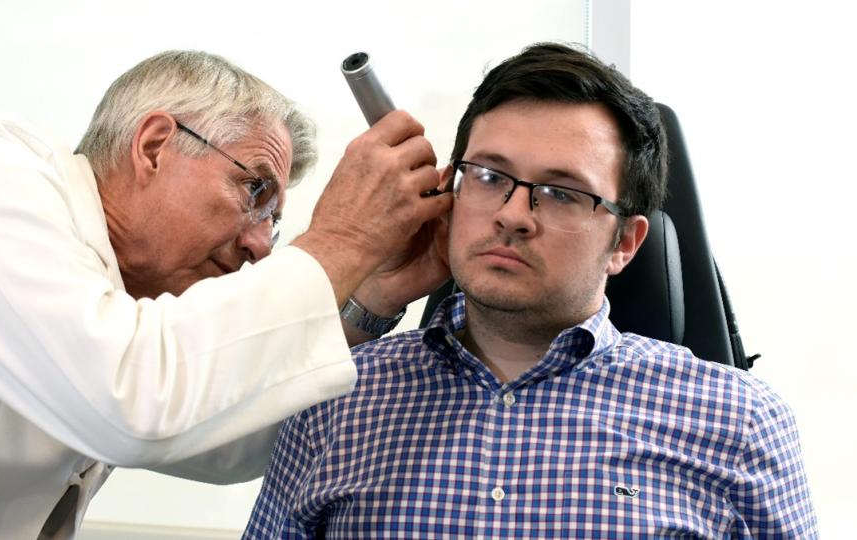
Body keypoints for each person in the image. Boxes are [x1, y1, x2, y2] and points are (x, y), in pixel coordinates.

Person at [0, 50, 453, 538]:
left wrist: (369, 299)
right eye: (252, 191)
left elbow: (222, 438)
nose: (262, 242)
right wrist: (342, 242)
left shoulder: (109, 305)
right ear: (155, 144)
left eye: (276, 217)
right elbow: (132, 404)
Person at [244, 43, 818, 539]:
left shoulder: (738, 421)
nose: (514, 215)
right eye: (490, 177)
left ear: (625, 242)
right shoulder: (336, 397)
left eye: (562, 193)